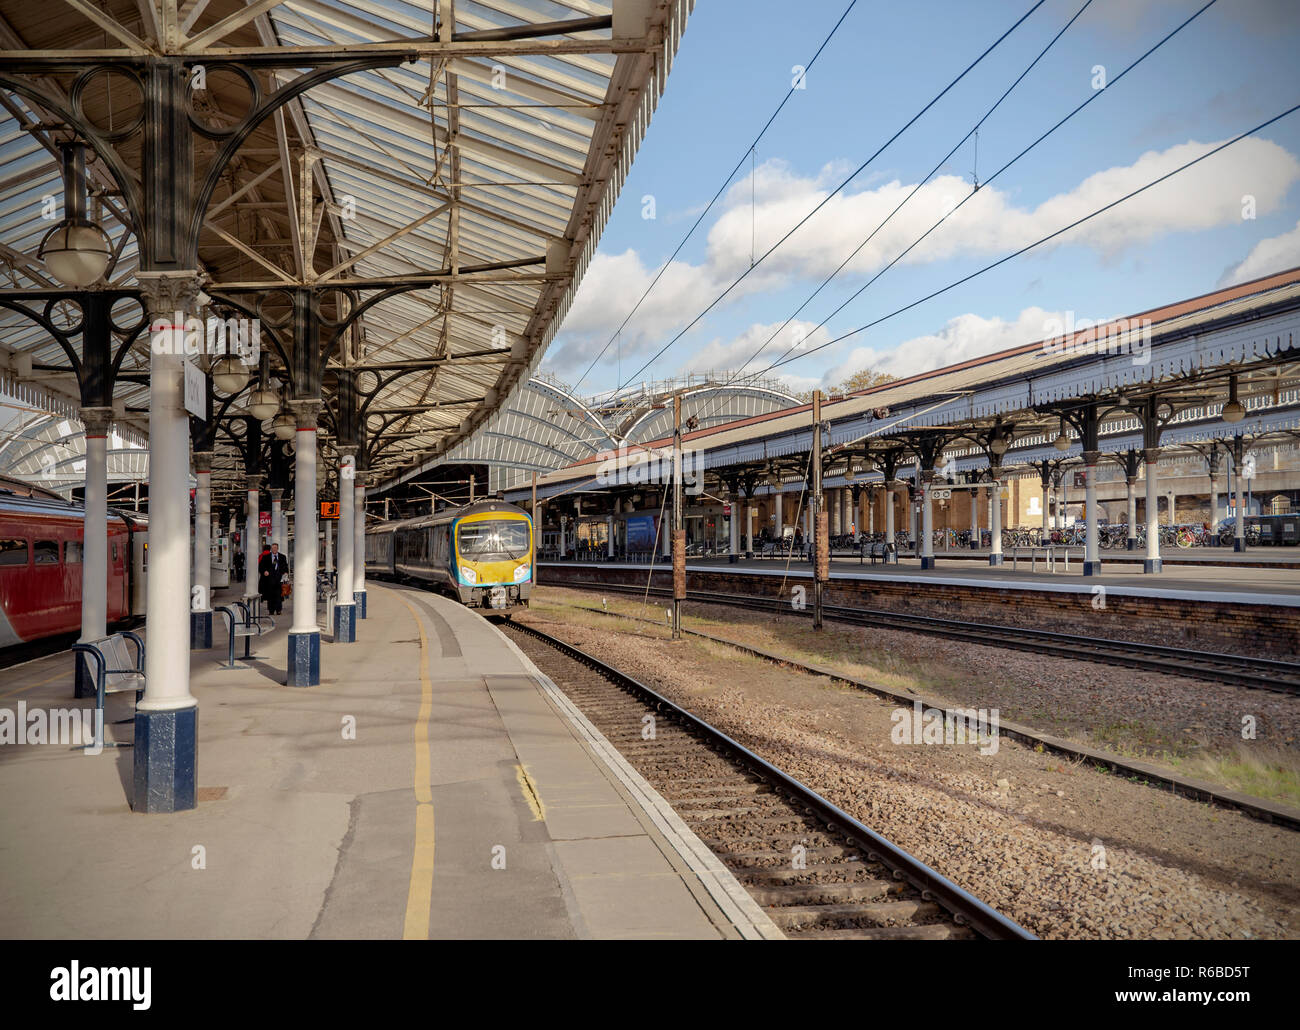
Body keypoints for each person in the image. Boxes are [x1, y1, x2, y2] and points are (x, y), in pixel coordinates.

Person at [259, 542, 288, 615]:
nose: (274, 549)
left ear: (277, 549)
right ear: (271, 549)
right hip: (269, 579)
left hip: (279, 579)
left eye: (275, 548)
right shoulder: (266, 557)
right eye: (273, 548)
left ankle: (279, 610)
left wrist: (285, 572)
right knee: (270, 596)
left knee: (278, 595)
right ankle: (271, 610)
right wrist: (264, 571)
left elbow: (285, 566)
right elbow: (261, 566)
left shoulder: (282, 557)